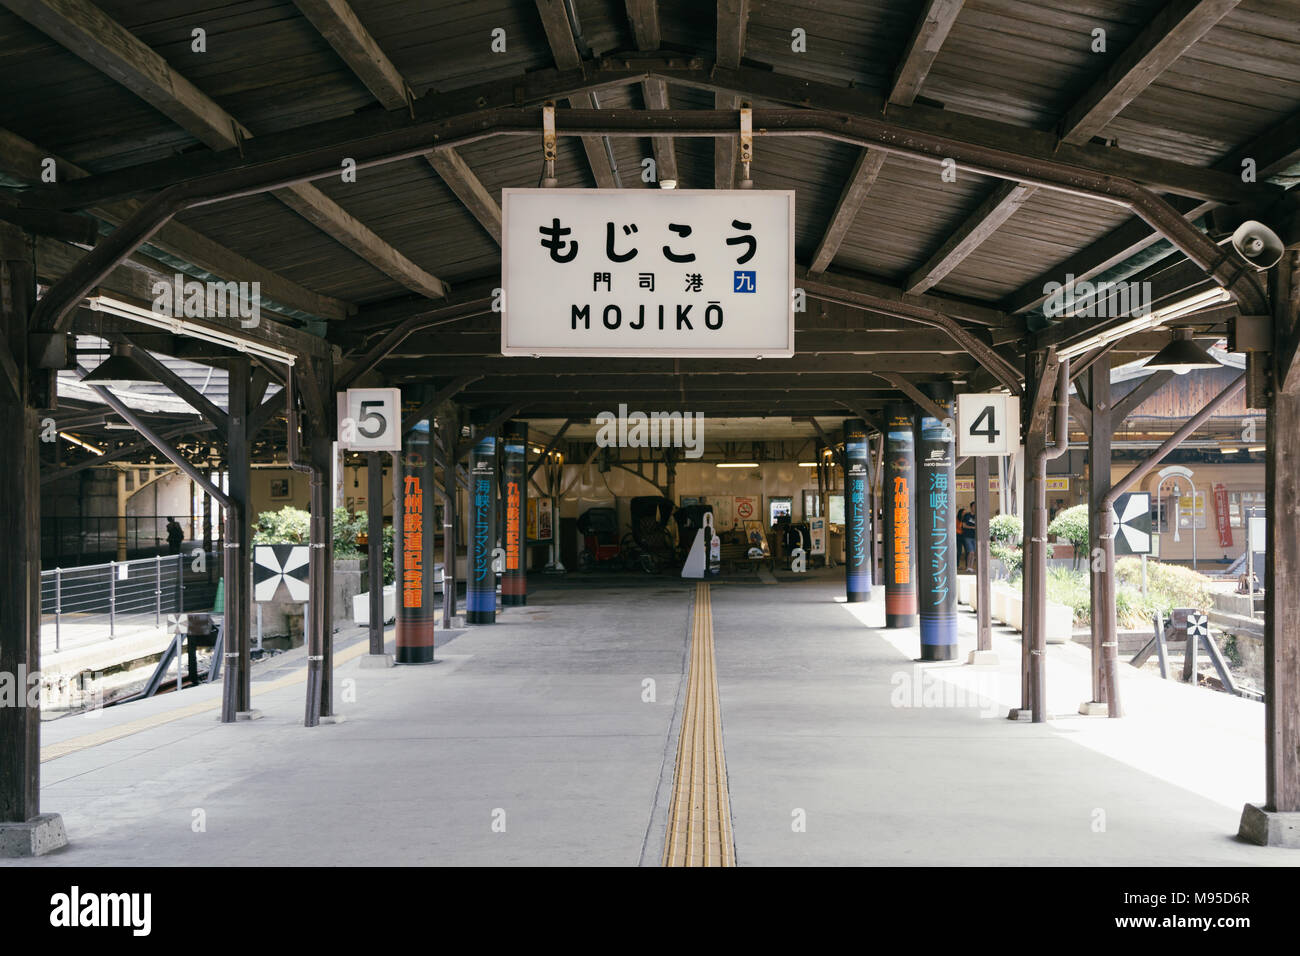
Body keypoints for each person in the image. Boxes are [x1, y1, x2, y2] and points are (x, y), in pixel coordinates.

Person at [961, 502, 978, 571]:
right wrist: (972, 527)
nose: (975, 508)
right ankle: (968, 566)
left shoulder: (977, 515)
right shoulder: (967, 515)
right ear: (971, 507)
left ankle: (970, 567)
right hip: (967, 536)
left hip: (975, 536)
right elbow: (963, 525)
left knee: (973, 553)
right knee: (971, 552)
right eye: (974, 506)